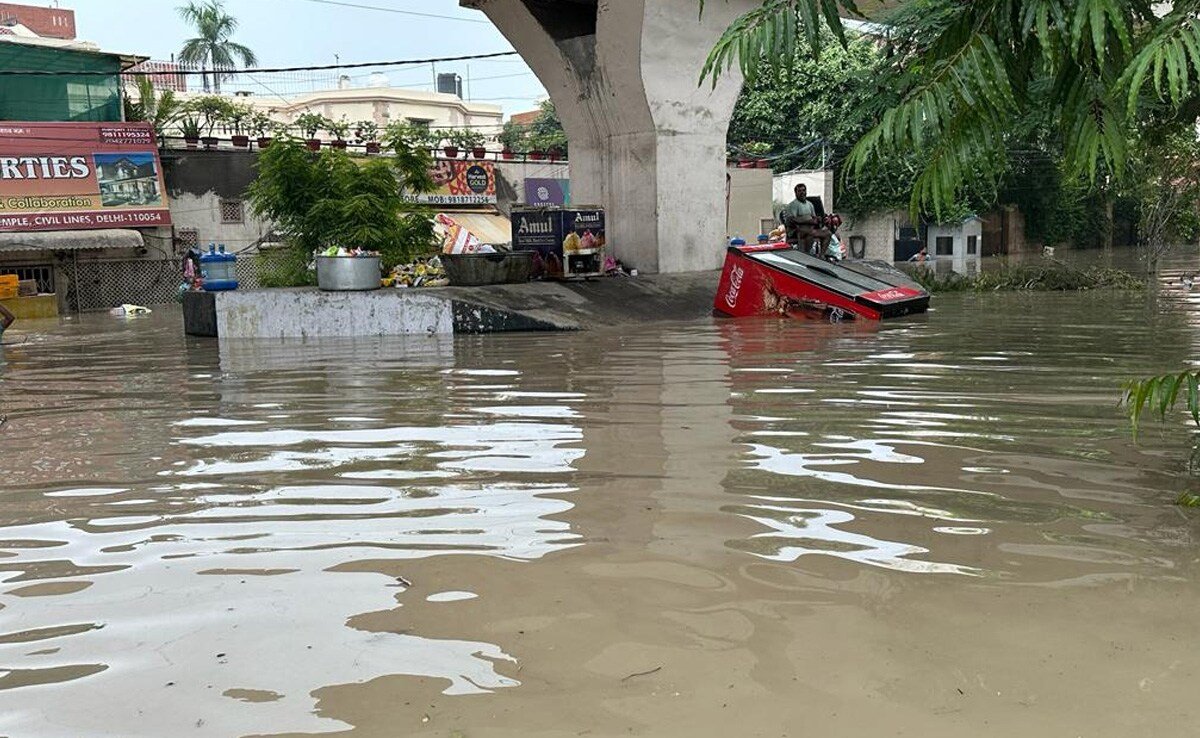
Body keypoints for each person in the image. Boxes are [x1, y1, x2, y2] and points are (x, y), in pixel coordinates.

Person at [779, 183, 831, 255]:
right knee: (808, 234)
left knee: (828, 233)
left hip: (810, 229)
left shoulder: (810, 204)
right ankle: (805, 255)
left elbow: (814, 217)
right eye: (799, 191)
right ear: (796, 193)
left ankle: (821, 256)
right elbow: (792, 220)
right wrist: (809, 221)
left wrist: (818, 219)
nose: (802, 192)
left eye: (803, 190)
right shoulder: (793, 205)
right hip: (796, 230)